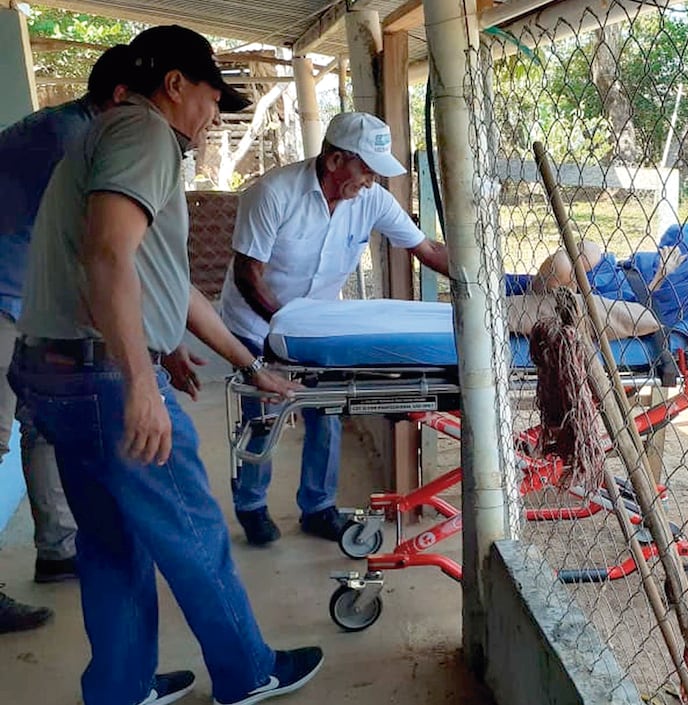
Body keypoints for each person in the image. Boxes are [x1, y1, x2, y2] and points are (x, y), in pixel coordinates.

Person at [10, 25, 322, 705]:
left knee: (112, 538)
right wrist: (138, 379)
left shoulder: (105, 135)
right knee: (190, 526)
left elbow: (162, 281)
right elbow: (109, 257)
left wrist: (244, 360)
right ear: (175, 85)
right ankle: (248, 670)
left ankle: (120, 687)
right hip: (101, 377)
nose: (213, 118)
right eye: (212, 99)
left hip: (54, 372)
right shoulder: (146, 134)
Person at [219, 111, 450, 545]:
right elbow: (249, 274)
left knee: (325, 412)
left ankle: (318, 506)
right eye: (365, 170)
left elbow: (427, 248)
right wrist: (282, 330)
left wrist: (485, 282)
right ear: (334, 161)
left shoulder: (371, 200)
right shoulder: (272, 193)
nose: (370, 182)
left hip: (316, 327)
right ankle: (251, 503)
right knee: (264, 413)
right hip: (255, 320)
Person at [0, 45, 133, 592]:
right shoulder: (71, 139)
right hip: (3, 299)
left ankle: (57, 548)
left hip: (25, 302)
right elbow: (98, 248)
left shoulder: (68, 127)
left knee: (42, 425)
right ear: (121, 97)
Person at [532, 206, 688, 326]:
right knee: (587, 250)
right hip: (616, 271)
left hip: (624, 300)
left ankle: (544, 299)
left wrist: (661, 275)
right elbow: (676, 231)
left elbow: (658, 316)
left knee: (564, 263)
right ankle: (544, 294)